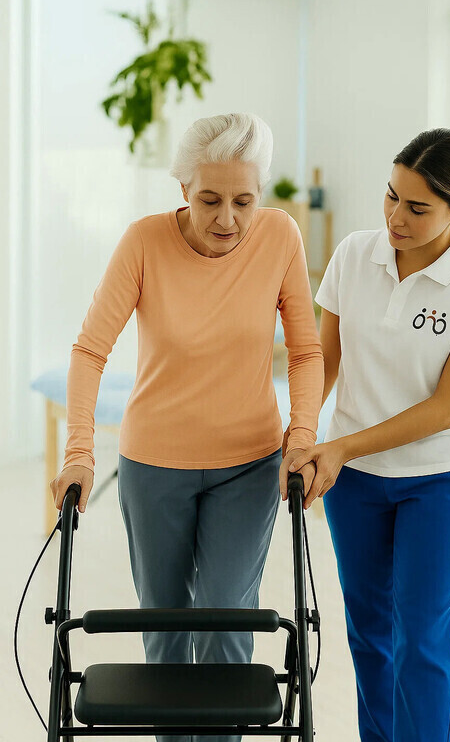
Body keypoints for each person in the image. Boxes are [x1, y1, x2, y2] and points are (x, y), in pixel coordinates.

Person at [50, 112, 323, 742]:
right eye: (210, 199)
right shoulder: (144, 242)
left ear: (262, 194)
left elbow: (306, 352)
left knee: (228, 625)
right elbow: (91, 349)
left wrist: (302, 436)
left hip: (248, 462)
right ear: (183, 190)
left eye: (243, 200)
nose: (228, 218)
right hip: (153, 466)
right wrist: (80, 452)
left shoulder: (280, 236)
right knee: (165, 631)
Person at [286, 129, 450, 742]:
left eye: (417, 208)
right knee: (370, 635)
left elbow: (445, 408)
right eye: (390, 197)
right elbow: (322, 362)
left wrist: (341, 446)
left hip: (435, 484)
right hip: (355, 487)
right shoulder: (355, 255)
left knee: (425, 643)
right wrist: (302, 433)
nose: (395, 218)